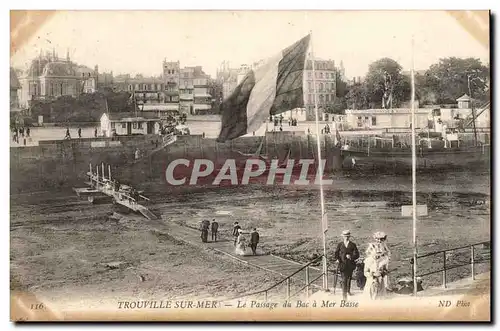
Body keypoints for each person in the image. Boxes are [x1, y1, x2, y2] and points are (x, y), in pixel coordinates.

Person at [334, 230, 360, 300]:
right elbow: (336, 253)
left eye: (347, 236)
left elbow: (357, 254)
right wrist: (337, 259)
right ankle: (344, 296)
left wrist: (351, 256)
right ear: (342, 237)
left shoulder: (352, 244)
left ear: (349, 237)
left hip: (350, 264)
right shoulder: (340, 244)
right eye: (345, 236)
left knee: (349, 278)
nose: (346, 237)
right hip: (342, 264)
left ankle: (348, 291)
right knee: (344, 279)